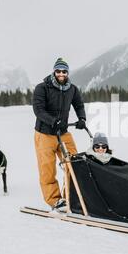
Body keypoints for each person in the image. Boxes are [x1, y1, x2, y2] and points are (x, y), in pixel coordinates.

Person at [32, 58, 87, 211]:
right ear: (54, 72)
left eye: (64, 71)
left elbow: (79, 104)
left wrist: (82, 118)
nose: (61, 74)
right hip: (44, 134)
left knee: (75, 164)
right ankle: (55, 200)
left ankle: (71, 196)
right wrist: (53, 121)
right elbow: (38, 110)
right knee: (47, 170)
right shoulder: (42, 88)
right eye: (58, 71)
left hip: (63, 134)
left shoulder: (72, 89)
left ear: (67, 73)